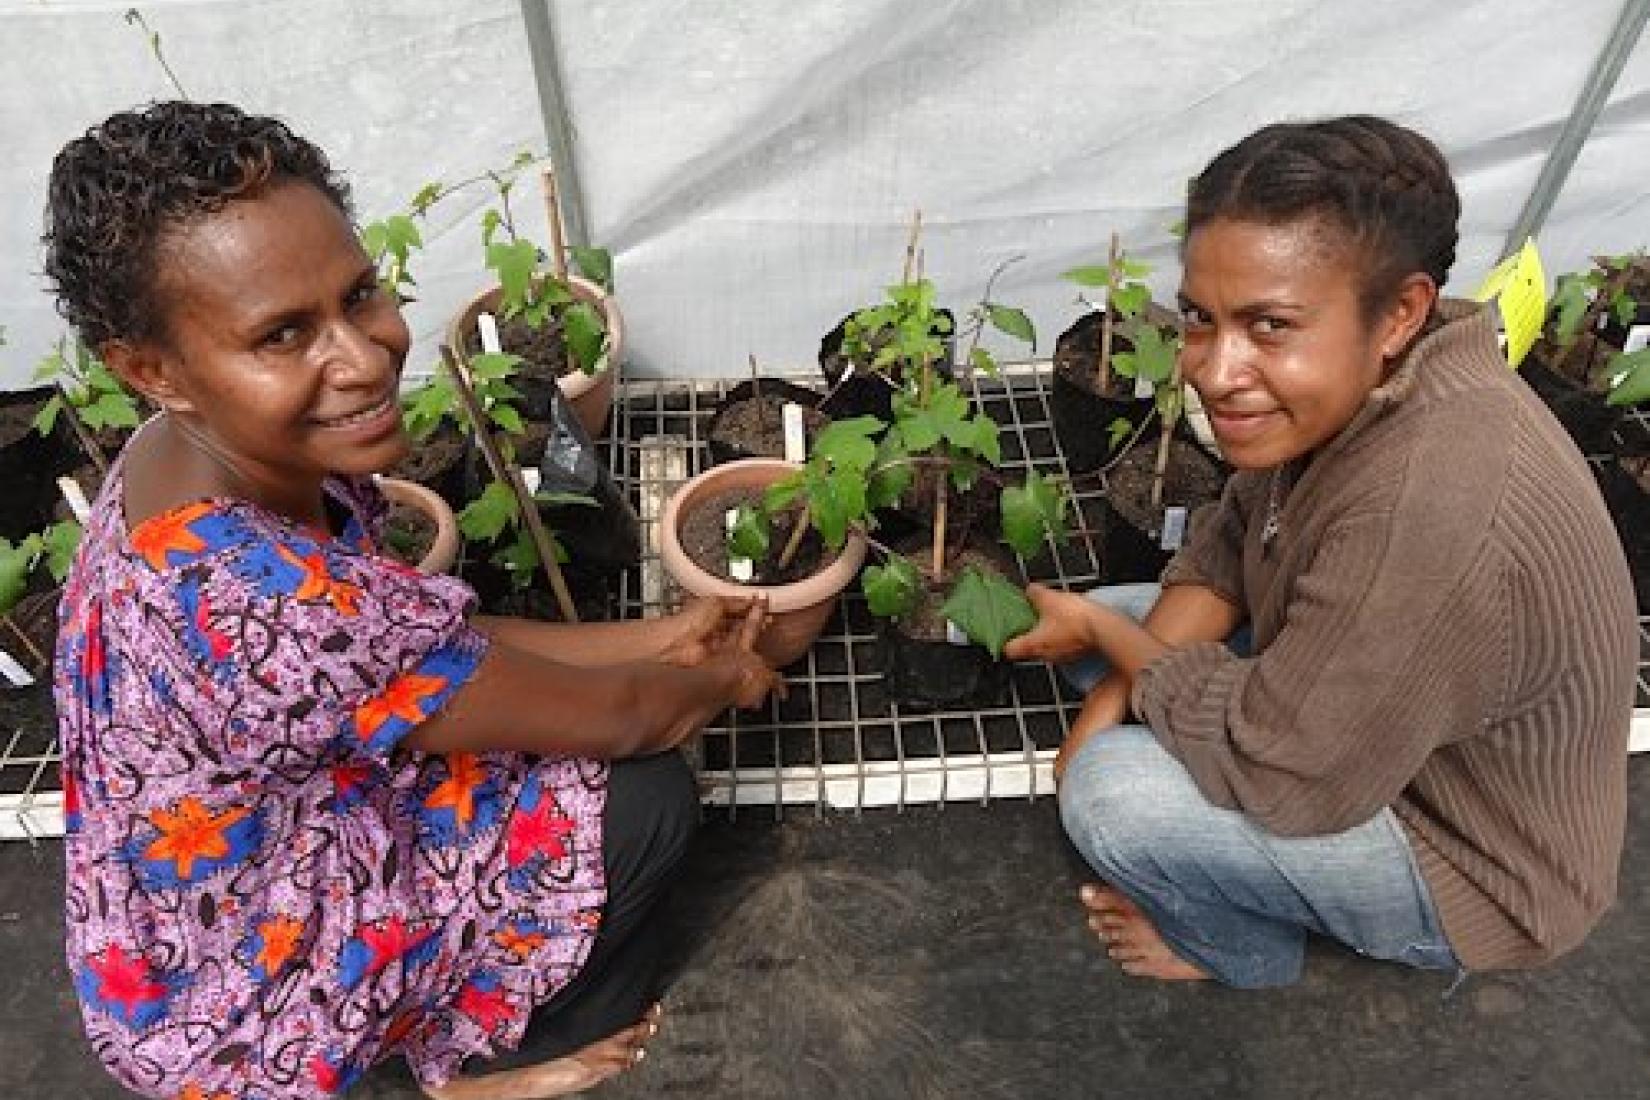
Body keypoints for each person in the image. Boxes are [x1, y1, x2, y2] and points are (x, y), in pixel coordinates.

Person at [44, 100, 784, 1100]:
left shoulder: (180, 462)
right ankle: (489, 1054)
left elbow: (419, 638)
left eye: (360, 294)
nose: (362, 356)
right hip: (244, 996)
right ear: (151, 369)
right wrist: (731, 667)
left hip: (180, 914)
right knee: (644, 799)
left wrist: (666, 629)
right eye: (284, 334)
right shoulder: (261, 604)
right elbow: (626, 715)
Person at [1006, 115, 1636, 988]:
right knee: (1114, 624)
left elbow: (1292, 776)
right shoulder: (1384, 372)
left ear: (1400, 310)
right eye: (1200, 317)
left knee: (1113, 797)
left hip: (1466, 849)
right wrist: (1119, 677)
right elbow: (1233, 536)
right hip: (1375, 720)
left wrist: (1123, 670)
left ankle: (1234, 953)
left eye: (1269, 325)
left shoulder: (1429, 507)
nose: (1214, 370)